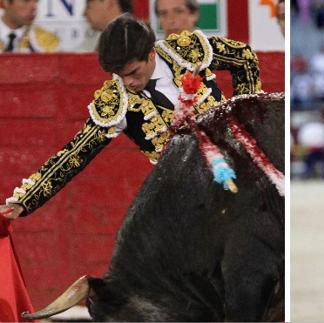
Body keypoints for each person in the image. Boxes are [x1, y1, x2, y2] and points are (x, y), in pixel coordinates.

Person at [0, 14, 261, 220]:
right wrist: (24, 200)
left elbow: (244, 58)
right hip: (191, 199)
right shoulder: (116, 101)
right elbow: (74, 154)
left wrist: (247, 127)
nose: (128, 82)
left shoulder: (187, 52)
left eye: (133, 72)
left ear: (150, 54)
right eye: (120, 75)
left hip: (245, 168)